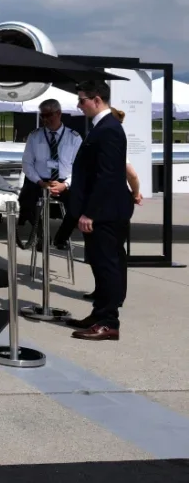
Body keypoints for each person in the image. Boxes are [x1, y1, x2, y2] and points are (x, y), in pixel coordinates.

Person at [65, 81, 134, 341]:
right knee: (100, 264)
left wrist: (90, 213)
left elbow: (107, 176)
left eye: (82, 100)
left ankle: (108, 322)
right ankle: (99, 313)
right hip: (103, 210)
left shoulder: (109, 130)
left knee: (108, 266)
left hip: (105, 212)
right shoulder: (102, 128)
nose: (78, 105)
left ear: (96, 100)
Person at [16, 99, 82, 251]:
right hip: (39, 180)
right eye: (42, 116)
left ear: (58, 114)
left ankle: (61, 238)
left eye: (48, 115)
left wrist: (65, 184)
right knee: (25, 202)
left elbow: (79, 167)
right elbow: (27, 163)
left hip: (64, 181)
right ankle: (41, 234)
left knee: (77, 206)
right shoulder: (35, 136)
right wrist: (40, 182)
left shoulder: (74, 137)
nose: (45, 119)